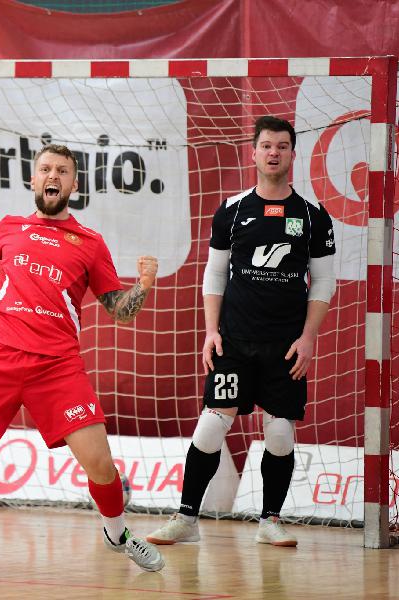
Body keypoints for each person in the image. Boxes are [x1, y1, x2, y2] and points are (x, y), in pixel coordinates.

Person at [0, 144, 165, 573]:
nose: (53, 176)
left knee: (100, 463)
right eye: (46, 169)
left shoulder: (90, 243)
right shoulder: (9, 228)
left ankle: (117, 534)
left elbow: (119, 311)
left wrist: (144, 284)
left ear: (74, 184)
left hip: (56, 365)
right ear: (33, 178)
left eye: (62, 170)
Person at [146, 116, 336, 548]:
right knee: (210, 427)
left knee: (280, 434)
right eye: (266, 145)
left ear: (292, 154)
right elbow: (214, 274)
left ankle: (270, 520)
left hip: (285, 347)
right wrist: (211, 331)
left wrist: (309, 337)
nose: (274, 153)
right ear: (253, 153)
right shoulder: (232, 210)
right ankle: (186, 518)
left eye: (282, 146)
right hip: (233, 341)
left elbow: (324, 281)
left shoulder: (313, 215)